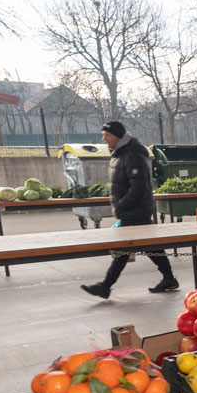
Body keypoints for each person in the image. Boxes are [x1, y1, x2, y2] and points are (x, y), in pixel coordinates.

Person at [81, 121, 179, 298]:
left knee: (124, 249)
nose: (104, 139)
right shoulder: (121, 153)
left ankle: (106, 285)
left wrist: (121, 205)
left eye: (107, 135)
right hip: (133, 210)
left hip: (135, 211)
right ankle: (169, 278)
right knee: (149, 246)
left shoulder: (132, 155)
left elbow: (140, 187)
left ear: (118, 136)